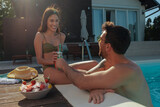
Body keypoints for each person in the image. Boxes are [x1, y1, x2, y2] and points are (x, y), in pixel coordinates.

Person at [55, 22, 153, 107]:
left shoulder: (126, 70)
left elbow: (82, 81)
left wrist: (64, 65)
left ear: (108, 47)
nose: (98, 42)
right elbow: (87, 76)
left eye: (100, 39)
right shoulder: (106, 62)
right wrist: (93, 87)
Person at [34, 6, 98, 84]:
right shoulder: (40, 36)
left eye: (57, 21)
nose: (54, 23)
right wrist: (52, 61)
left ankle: (101, 80)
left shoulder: (61, 36)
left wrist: (60, 58)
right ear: (45, 21)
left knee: (94, 64)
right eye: (51, 20)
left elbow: (60, 55)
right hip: (49, 70)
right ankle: (99, 86)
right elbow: (39, 60)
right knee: (82, 75)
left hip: (61, 66)